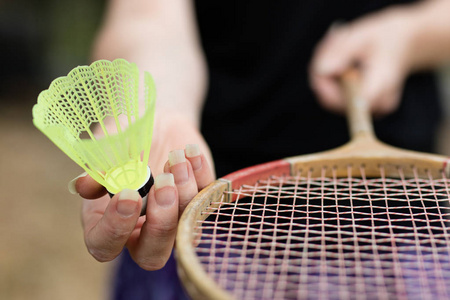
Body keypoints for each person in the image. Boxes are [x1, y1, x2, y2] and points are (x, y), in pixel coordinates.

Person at [68, 0, 450, 299]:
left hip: (405, 232)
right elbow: (147, 16)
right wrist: (156, 108)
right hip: (206, 225)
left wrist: (411, 34)